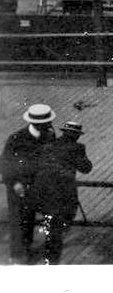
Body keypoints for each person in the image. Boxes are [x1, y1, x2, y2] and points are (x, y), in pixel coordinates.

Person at [27, 120, 91, 265]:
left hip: (42, 192)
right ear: (76, 135)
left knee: (47, 223)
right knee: (57, 228)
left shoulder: (48, 145)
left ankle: (34, 253)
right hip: (62, 194)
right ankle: (51, 261)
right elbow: (86, 168)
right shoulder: (77, 147)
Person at [2, 104, 57, 264]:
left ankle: (26, 249)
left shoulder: (48, 136)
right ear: (37, 123)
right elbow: (5, 164)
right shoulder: (16, 139)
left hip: (35, 186)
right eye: (47, 123)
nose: (50, 125)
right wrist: (15, 183)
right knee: (18, 220)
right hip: (18, 187)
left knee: (30, 219)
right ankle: (18, 257)